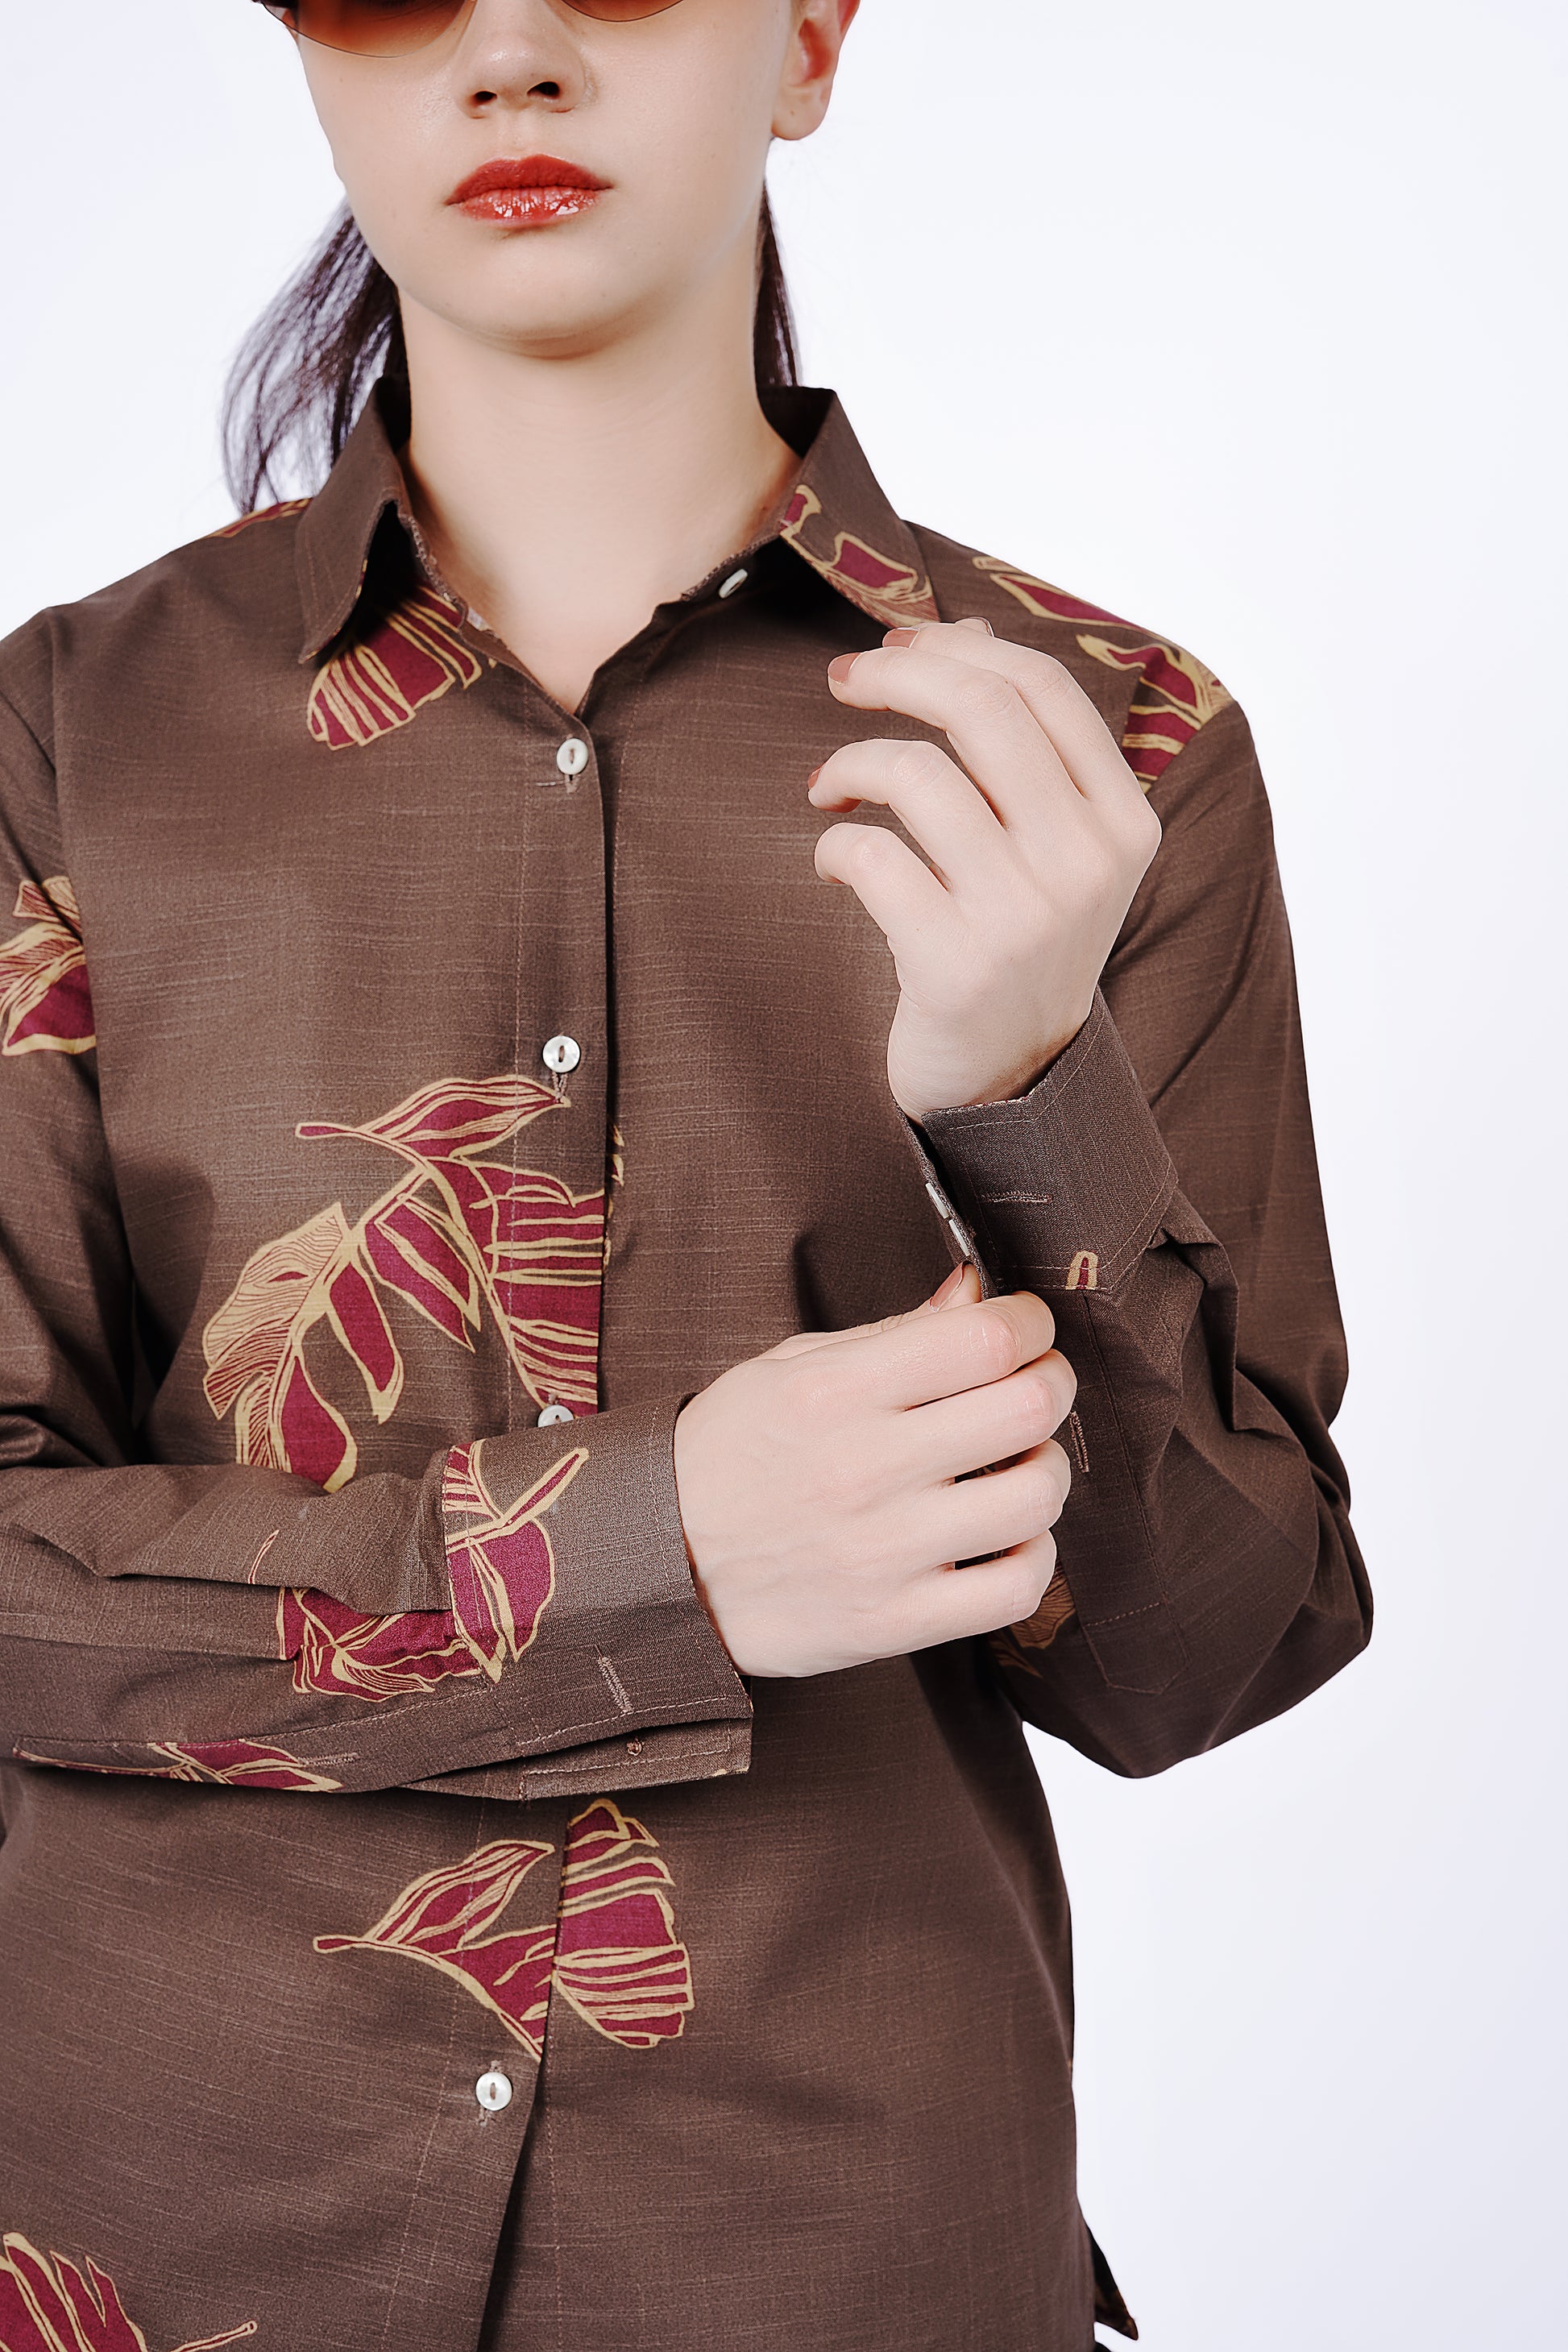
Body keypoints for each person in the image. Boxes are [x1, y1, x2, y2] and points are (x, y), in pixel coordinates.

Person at [0, 2, 1370, 2346]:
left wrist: (1025, 1092)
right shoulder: (59, 745)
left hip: (837, 2251)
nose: (511, 53)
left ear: (810, 37)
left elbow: (1207, 1660)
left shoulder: (1107, 748)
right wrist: (647, 1556)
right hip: (164, 2246)